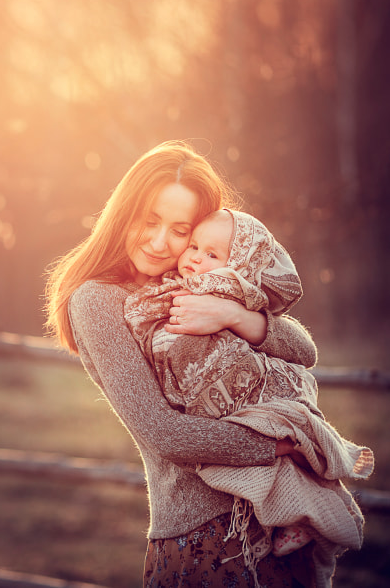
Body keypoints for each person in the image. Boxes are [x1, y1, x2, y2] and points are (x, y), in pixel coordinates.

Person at [44, 140, 321, 587]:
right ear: (124, 212)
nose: (159, 242)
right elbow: (164, 433)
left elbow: (303, 350)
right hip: (206, 538)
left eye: (179, 230)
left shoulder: (198, 279)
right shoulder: (98, 300)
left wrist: (234, 315)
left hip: (278, 522)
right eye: (149, 220)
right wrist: (280, 445)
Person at [123, 208, 373, 587]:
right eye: (194, 247)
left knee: (292, 471)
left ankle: (302, 520)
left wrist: (231, 314)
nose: (196, 258)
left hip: (264, 401)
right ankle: (291, 521)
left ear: (237, 265)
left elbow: (304, 351)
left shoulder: (239, 294)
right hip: (215, 448)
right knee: (275, 468)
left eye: (212, 255)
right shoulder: (165, 286)